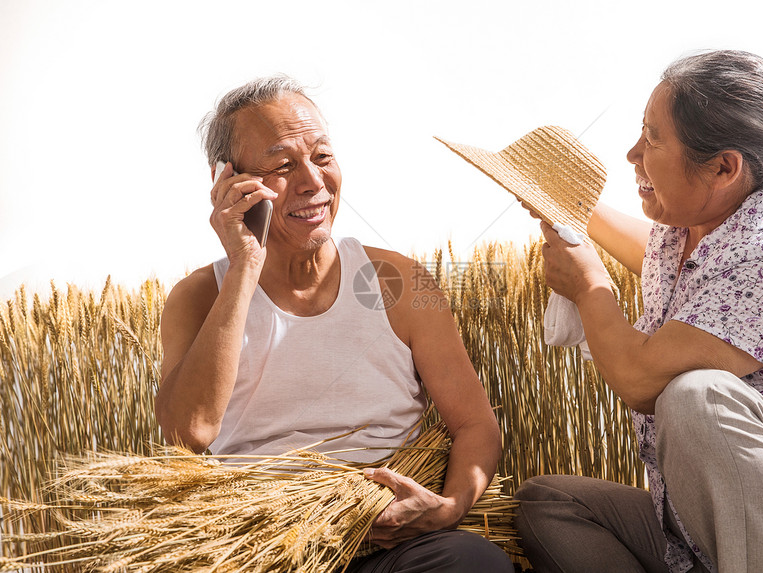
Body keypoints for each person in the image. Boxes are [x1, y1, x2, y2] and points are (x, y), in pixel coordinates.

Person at [514, 50, 763, 572]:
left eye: (653, 138)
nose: (633, 153)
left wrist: (588, 286)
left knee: (699, 397)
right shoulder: (688, 231)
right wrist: (559, 201)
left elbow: (639, 378)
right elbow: (644, 249)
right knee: (550, 502)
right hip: (712, 525)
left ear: (723, 167)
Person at [154, 74, 513, 572]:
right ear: (229, 183)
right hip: (267, 546)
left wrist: (447, 509)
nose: (313, 181)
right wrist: (244, 267)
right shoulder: (199, 297)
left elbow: (476, 424)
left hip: (395, 540)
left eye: (322, 157)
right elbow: (189, 431)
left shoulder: (399, 281)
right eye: (283, 165)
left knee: (474, 564)